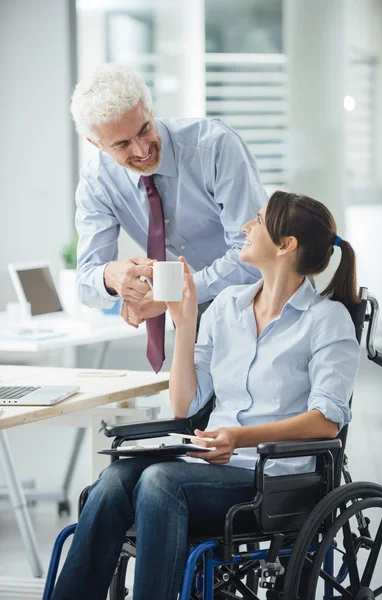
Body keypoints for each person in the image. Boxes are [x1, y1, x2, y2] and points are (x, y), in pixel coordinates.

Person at [50, 191, 360, 600]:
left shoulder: (327, 320)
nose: (247, 228)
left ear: (286, 246)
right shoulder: (228, 306)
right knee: (114, 480)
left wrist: (239, 438)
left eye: (259, 221)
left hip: (275, 480)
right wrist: (185, 322)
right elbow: (185, 407)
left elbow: (327, 420)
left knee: (161, 481)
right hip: (209, 465)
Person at [70, 63, 267, 371]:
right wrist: (112, 277)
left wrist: (168, 294)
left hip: (262, 306)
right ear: (96, 145)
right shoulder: (98, 183)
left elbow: (255, 259)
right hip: (193, 319)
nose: (142, 149)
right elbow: (85, 282)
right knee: (195, 415)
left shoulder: (215, 146)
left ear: (149, 110)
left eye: (144, 129)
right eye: (122, 144)